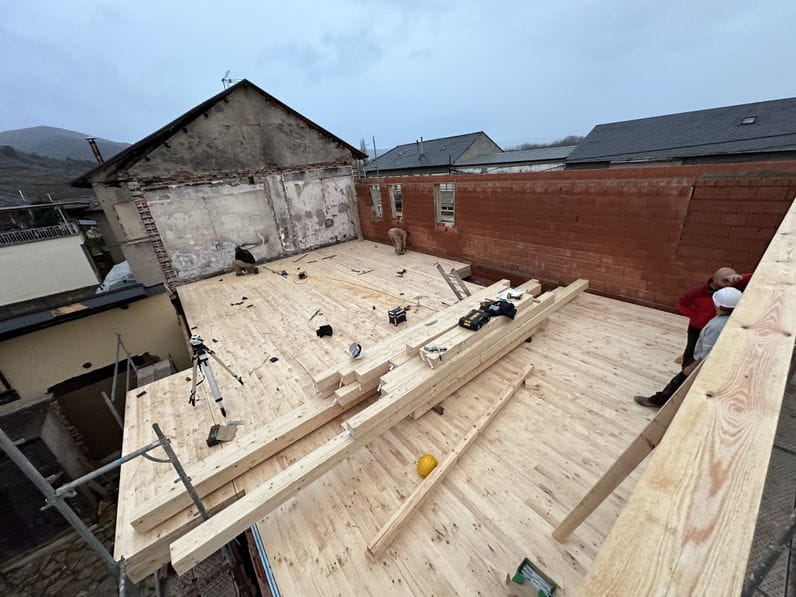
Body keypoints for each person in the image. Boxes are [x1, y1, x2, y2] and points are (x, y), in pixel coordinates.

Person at [635, 286, 742, 408]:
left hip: (700, 362)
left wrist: (692, 367)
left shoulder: (716, 326)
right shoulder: (731, 320)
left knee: (678, 382)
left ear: (716, 303)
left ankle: (657, 401)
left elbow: (708, 352)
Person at [676, 267, 751, 367]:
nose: (728, 284)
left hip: (719, 328)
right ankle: (685, 370)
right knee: (691, 349)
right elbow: (681, 303)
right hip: (697, 328)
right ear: (714, 279)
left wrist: (741, 278)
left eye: (730, 280)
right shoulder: (697, 291)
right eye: (725, 280)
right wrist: (695, 317)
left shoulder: (733, 287)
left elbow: (757, 277)